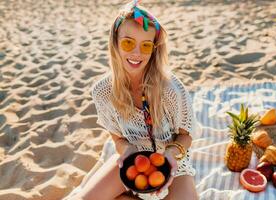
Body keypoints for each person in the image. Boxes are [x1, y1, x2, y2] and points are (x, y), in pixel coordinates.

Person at [74, 1, 198, 199]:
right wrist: (127, 150)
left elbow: (186, 135)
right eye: (128, 42)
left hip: (172, 165)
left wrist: (171, 155)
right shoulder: (102, 91)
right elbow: (118, 138)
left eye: (146, 46)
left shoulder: (171, 89)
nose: (137, 53)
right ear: (115, 42)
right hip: (131, 162)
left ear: (153, 49)